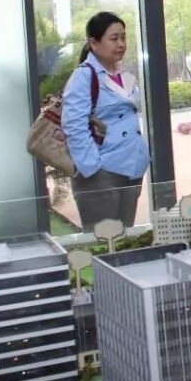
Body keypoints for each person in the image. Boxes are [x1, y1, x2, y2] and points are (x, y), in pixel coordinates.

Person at [62, 12, 149, 231]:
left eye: (123, 37)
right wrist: (93, 169)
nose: (121, 44)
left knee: (125, 237)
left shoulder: (123, 74)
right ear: (94, 43)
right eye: (114, 38)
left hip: (132, 167)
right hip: (103, 171)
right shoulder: (84, 76)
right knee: (102, 239)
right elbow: (74, 126)